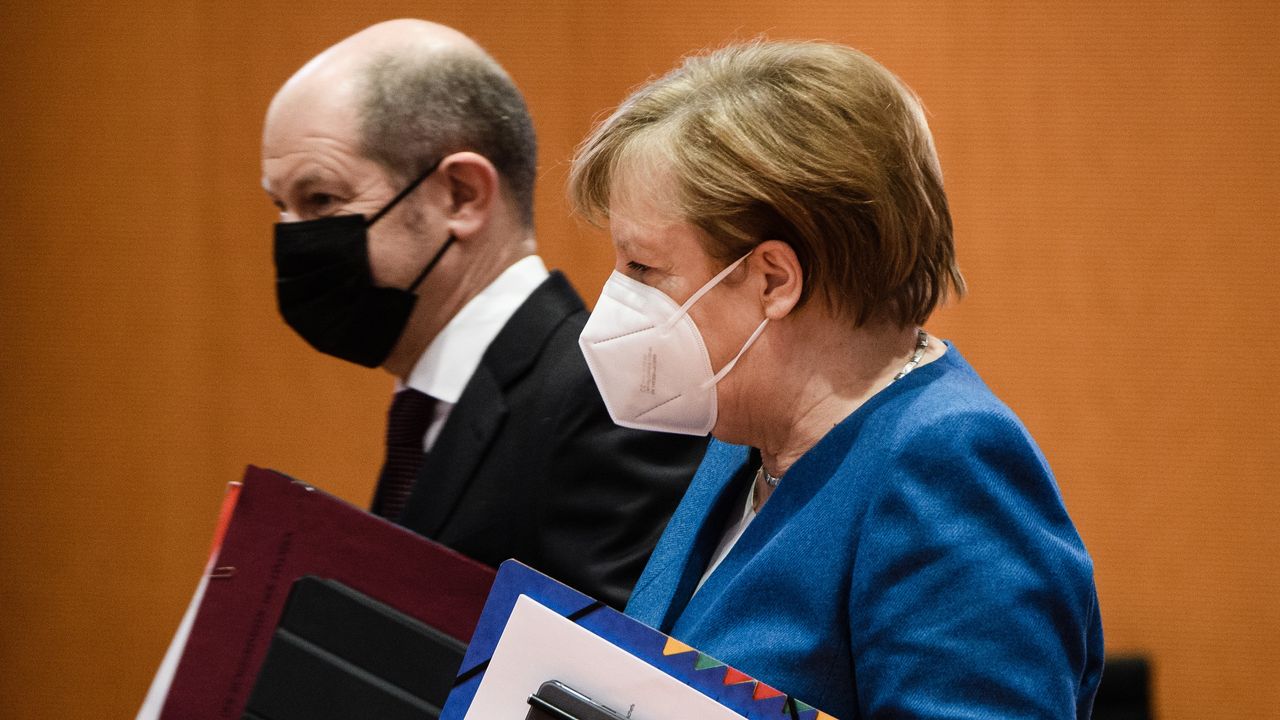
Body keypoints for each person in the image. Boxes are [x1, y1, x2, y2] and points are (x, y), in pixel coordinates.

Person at [569, 41, 1103, 718]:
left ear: (773, 280)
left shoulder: (948, 467)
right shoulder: (745, 439)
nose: (618, 297)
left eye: (643, 267)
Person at [261, 19, 706, 609]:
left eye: (321, 201)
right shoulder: (428, 411)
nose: (292, 241)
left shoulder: (609, 393)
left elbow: (600, 684)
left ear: (462, 195)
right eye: (280, 208)